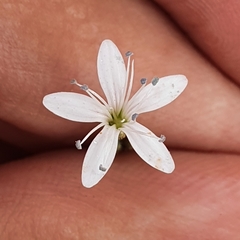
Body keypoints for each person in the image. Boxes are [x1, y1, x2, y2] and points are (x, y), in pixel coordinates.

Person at [0, 0, 240, 238]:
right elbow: (56, 102)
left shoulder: (126, 120)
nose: (118, 120)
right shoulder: (115, 119)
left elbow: (173, 88)